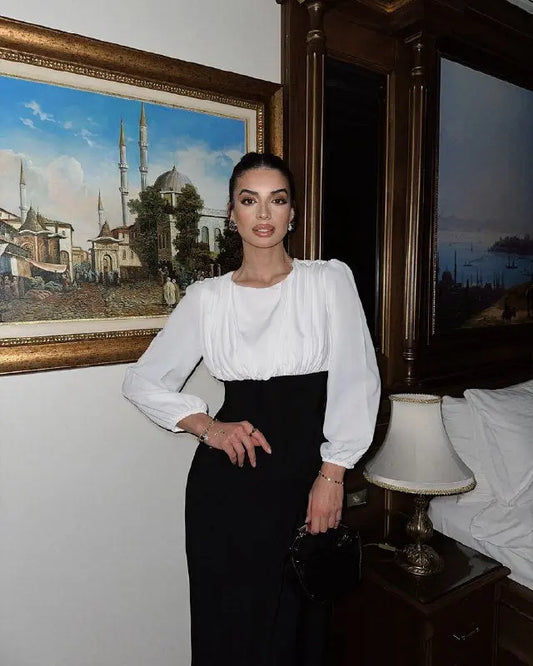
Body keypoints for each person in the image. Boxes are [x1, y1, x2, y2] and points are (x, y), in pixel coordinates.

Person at [122, 152, 381, 666]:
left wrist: (332, 476)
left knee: (300, 629)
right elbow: (142, 381)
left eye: (276, 200)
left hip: (307, 479)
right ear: (232, 213)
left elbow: (358, 381)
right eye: (249, 200)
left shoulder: (328, 281)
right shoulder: (207, 298)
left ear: (292, 213)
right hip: (228, 492)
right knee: (230, 630)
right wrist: (209, 428)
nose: (264, 214)